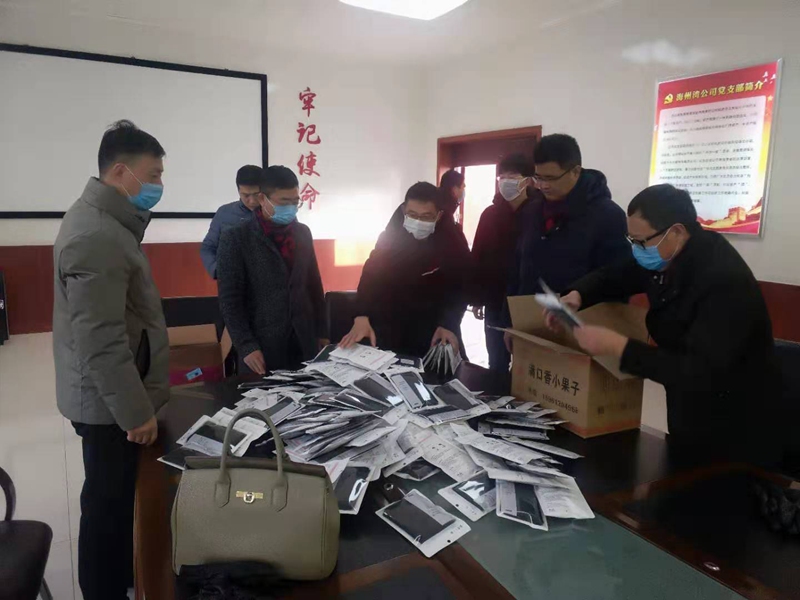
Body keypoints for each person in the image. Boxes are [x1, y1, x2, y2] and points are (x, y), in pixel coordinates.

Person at [554, 184, 777, 450]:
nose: (636, 249)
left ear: (677, 231)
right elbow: (618, 275)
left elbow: (698, 370)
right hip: (688, 408)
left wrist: (618, 346)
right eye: (631, 240)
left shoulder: (722, 280)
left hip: (736, 420)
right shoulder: (666, 254)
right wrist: (579, 294)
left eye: (641, 241)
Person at [53, 120, 169, 600]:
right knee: (105, 504)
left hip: (110, 396)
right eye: (154, 174)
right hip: (108, 405)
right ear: (121, 172)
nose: (159, 185)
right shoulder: (97, 234)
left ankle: (122, 577)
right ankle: (103, 589)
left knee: (115, 499)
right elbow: (100, 339)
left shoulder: (106, 222)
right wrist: (135, 412)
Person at [505, 133, 629, 350]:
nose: (543, 185)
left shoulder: (607, 215)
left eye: (551, 178)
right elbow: (518, 267)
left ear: (575, 171)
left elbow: (617, 278)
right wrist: (511, 321)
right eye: (538, 177)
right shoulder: (532, 211)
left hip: (581, 334)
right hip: (530, 326)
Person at [217, 165, 326, 375]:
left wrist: (322, 332)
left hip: (304, 342)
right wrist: (246, 345)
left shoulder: (302, 233)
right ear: (262, 199)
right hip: (261, 348)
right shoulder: (236, 237)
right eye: (284, 202)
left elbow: (314, 284)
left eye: (295, 202)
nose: (291, 208)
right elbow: (230, 299)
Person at [339, 182, 470, 357]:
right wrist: (361, 314)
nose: (418, 221)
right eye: (412, 215)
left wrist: (448, 323)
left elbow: (460, 285)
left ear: (439, 215)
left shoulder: (452, 239)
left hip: (435, 325)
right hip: (390, 321)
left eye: (426, 216)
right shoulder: (391, 236)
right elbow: (371, 273)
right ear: (404, 211)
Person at [471, 154, 537, 373]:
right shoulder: (489, 215)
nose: (506, 181)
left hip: (527, 298)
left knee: (527, 363)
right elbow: (478, 256)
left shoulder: (539, 213)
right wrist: (477, 297)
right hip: (494, 298)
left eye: (513, 176)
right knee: (496, 359)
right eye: (503, 177)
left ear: (527, 180)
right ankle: (497, 391)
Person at [200, 164, 263, 279]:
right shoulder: (224, 213)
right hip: (232, 282)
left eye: (256, 195)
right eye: (246, 195)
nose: (252, 201)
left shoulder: (275, 213)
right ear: (238, 190)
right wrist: (217, 270)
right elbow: (208, 247)